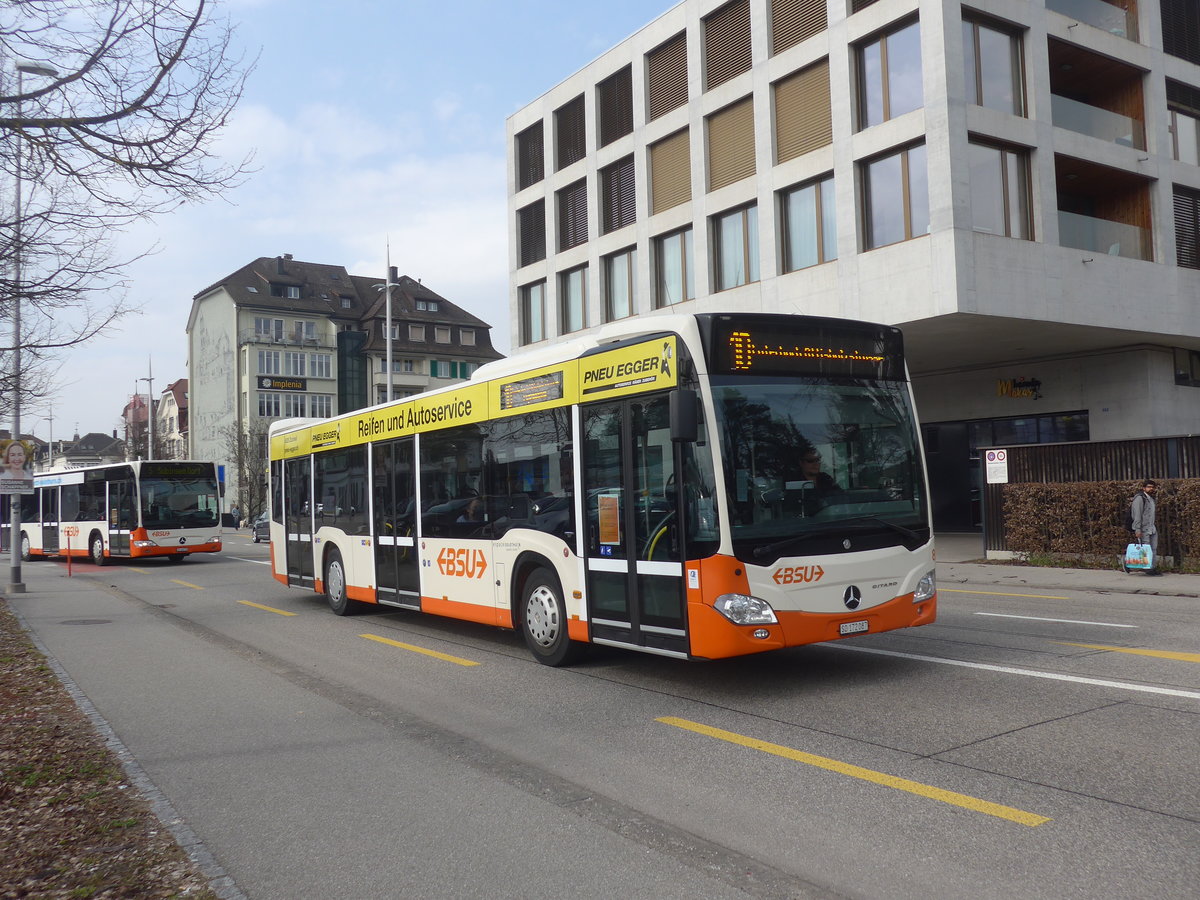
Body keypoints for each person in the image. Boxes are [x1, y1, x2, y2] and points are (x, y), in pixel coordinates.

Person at [1129, 479, 1160, 576]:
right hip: (1144, 528)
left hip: (1152, 528)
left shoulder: (1151, 499)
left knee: (1153, 548)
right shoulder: (1139, 498)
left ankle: (1152, 567)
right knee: (1146, 549)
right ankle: (1148, 568)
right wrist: (1137, 529)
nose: (1151, 489)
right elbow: (1137, 515)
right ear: (1144, 488)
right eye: (1149, 487)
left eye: (1152, 487)